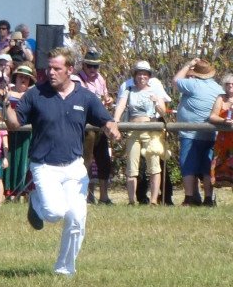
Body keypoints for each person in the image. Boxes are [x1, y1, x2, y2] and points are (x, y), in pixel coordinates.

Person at [4, 47, 121, 277]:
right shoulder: (36, 94)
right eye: (49, 68)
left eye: (56, 68)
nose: (51, 72)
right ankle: (36, 201)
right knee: (55, 213)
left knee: (77, 218)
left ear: (69, 70)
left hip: (75, 167)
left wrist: (112, 129)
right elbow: (14, 124)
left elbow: (105, 120)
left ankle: (64, 269)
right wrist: (6, 105)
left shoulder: (85, 96)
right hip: (44, 165)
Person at [113, 61, 167, 206]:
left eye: (145, 74)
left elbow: (163, 112)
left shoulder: (155, 91)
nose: (142, 76)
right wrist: (115, 122)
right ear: (135, 75)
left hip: (151, 130)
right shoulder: (128, 90)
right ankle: (132, 200)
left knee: (154, 166)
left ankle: (154, 200)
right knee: (132, 166)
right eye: (139, 73)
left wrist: (157, 102)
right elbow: (120, 107)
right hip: (133, 130)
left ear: (149, 76)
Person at [172, 58, 223, 206]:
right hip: (210, 134)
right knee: (207, 168)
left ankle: (189, 198)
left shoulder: (193, 84)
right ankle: (208, 198)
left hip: (190, 133)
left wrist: (187, 64)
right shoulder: (218, 88)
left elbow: (175, 81)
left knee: (188, 166)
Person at [74, 50, 115, 205]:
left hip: (100, 124)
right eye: (90, 66)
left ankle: (104, 196)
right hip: (85, 126)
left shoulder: (100, 79)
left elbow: (104, 96)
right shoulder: (76, 79)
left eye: (96, 66)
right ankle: (87, 195)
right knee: (87, 161)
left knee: (104, 159)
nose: (93, 70)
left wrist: (107, 99)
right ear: (83, 65)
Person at [3, 63, 35, 200]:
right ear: (15, 78)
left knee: (24, 161)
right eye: (20, 77)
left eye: (26, 78)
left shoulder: (32, 95)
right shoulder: (8, 94)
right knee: (10, 159)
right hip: (9, 133)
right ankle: (8, 191)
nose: (23, 80)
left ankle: (24, 191)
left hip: (27, 134)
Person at [209, 73, 233, 188]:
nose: (230, 87)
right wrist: (224, 121)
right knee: (220, 172)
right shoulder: (221, 98)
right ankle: (210, 199)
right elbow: (212, 117)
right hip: (223, 141)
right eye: (228, 84)